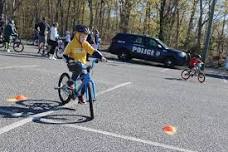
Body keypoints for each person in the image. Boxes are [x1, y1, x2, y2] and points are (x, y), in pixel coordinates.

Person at [63, 25, 106, 104]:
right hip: (72, 64)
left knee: (85, 79)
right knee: (78, 67)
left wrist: (101, 57)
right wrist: (68, 60)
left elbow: (93, 51)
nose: (84, 38)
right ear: (77, 35)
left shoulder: (85, 44)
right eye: (82, 36)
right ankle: (70, 83)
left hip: (82, 65)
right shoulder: (72, 43)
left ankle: (81, 96)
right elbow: (65, 54)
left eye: (86, 37)